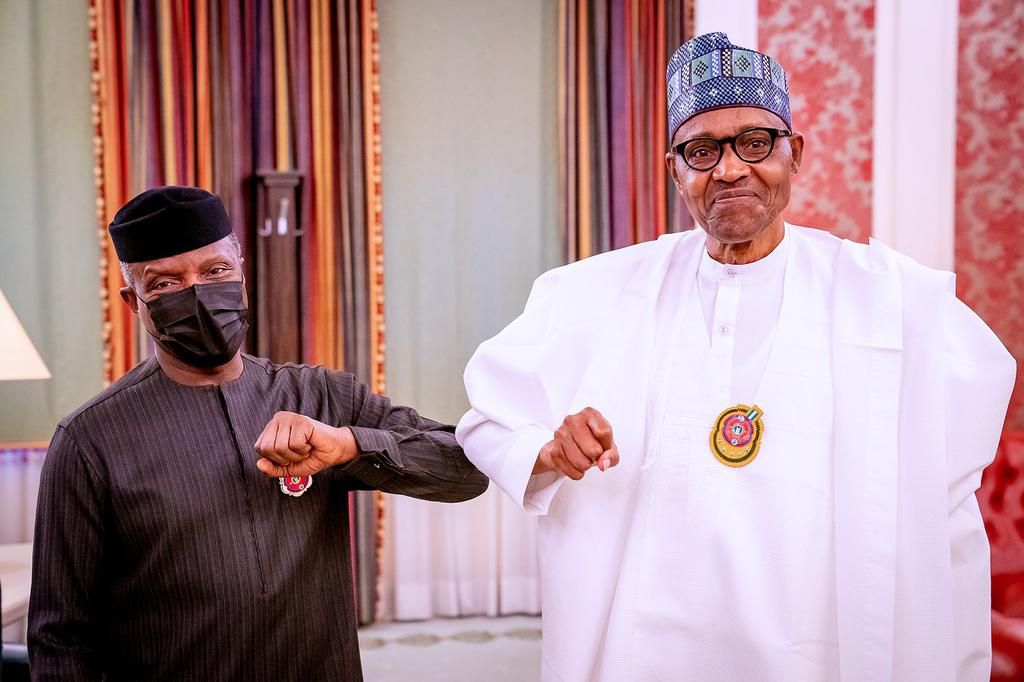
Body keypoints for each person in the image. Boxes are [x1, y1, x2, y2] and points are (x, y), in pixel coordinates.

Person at [457, 32, 1016, 681]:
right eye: (702, 149)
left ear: (794, 153)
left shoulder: (888, 301)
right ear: (676, 169)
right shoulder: (594, 294)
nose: (729, 169)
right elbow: (484, 421)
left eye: (755, 142)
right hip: (646, 647)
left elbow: (952, 465)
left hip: (814, 644)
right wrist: (550, 452)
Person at [28, 186, 488, 680]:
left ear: (241, 275)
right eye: (165, 283)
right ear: (132, 302)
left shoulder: (323, 397)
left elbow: (466, 469)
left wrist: (348, 446)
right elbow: (61, 638)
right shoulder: (89, 440)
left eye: (215, 271)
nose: (198, 294)